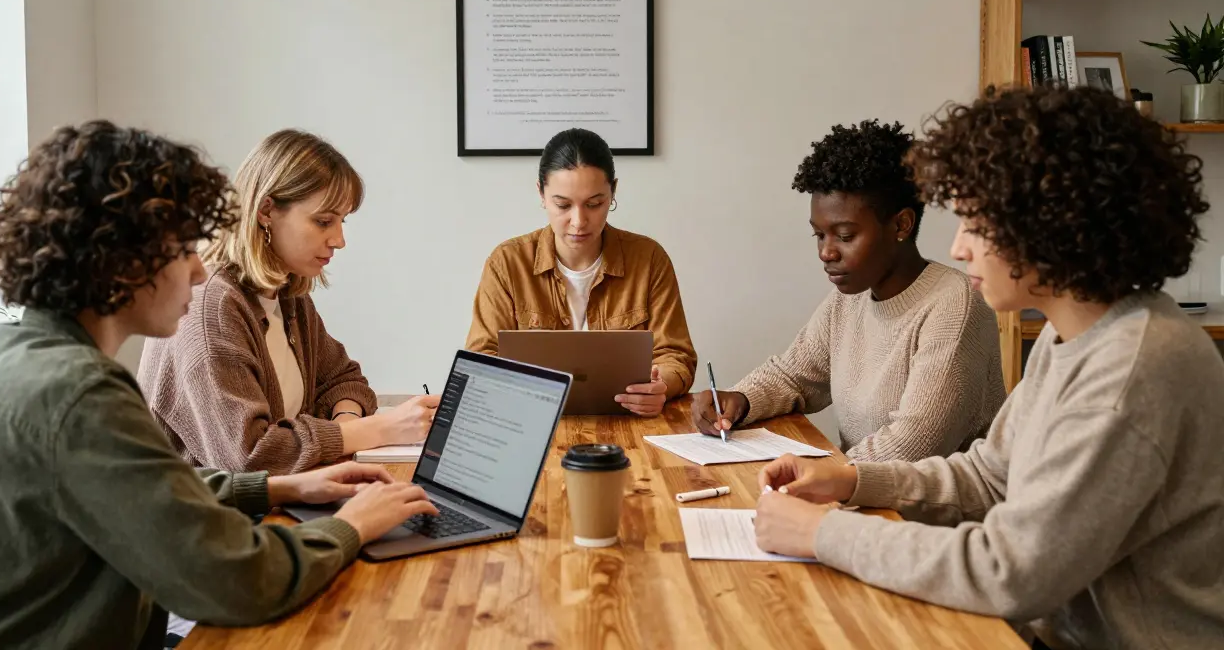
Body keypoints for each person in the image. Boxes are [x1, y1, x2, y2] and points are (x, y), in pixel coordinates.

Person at [752, 86, 1224, 649]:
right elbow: (990, 476)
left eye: (977, 224)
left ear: (1049, 225)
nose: (959, 248)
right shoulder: (1072, 334)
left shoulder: (1133, 369)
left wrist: (825, 533)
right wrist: (854, 480)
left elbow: (1012, 571)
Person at [0, 121, 438, 648]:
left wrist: (278, 487)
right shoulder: (79, 395)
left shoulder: (27, 356)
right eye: (184, 248)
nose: (200, 271)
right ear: (120, 258)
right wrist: (352, 526)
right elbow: (238, 579)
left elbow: (145, 490)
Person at [692, 120, 1004, 462]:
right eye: (819, 235)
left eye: (844, 236)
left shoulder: (955, 305)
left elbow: (913, 445)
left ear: (901, 224)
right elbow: (793, 376)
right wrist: (739, 399)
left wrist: (826, 476)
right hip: (852, 487)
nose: (826, 252)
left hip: (909, 497)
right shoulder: (849, 299)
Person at [139, 129, 438, 474]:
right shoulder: (213, 308)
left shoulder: (287, 294)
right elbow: (251, 457)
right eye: (323, 221)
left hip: (285, 496)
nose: (339, 240)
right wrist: (374, 430)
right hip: (207, 508)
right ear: (266, 211)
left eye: (341, 221)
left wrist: (347, 423)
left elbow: (343, 379)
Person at [465, 128, 697, 416]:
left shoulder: (649, 259)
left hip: (628, 421)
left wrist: (661, 386)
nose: (578, 221)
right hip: (529, 420)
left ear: (613, 191)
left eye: (594, 204)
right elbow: (481, 359)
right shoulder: (507, 263)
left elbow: (675, 355)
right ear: (541, 193)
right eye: (562, 204)